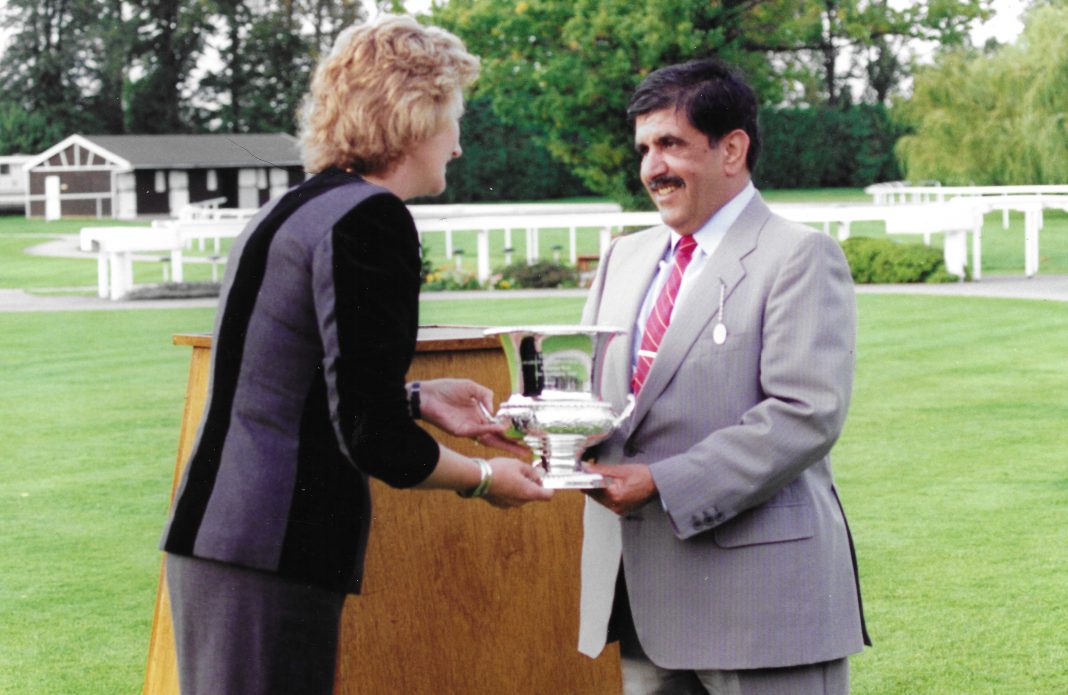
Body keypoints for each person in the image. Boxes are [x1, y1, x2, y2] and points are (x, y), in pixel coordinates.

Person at [159, 15, 552, 695]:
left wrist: (418, 397)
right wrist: (487, 477)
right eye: (454, 118)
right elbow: (375, 441)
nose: (458, 144)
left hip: (224, 540)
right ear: (417, 114)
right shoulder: (372, 217)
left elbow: (285, 380)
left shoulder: (295, 207)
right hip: (271, 548)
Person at [577, 58, 870, 694]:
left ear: (732, 148)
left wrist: (663, 482)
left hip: (761, 607)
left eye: (670, 144)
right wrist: (548, 436)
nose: (652, 167)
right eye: (644, 149)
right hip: (639, 601)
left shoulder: (799, 255)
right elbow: (596, 400)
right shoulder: (622, 257)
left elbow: (805, 413)